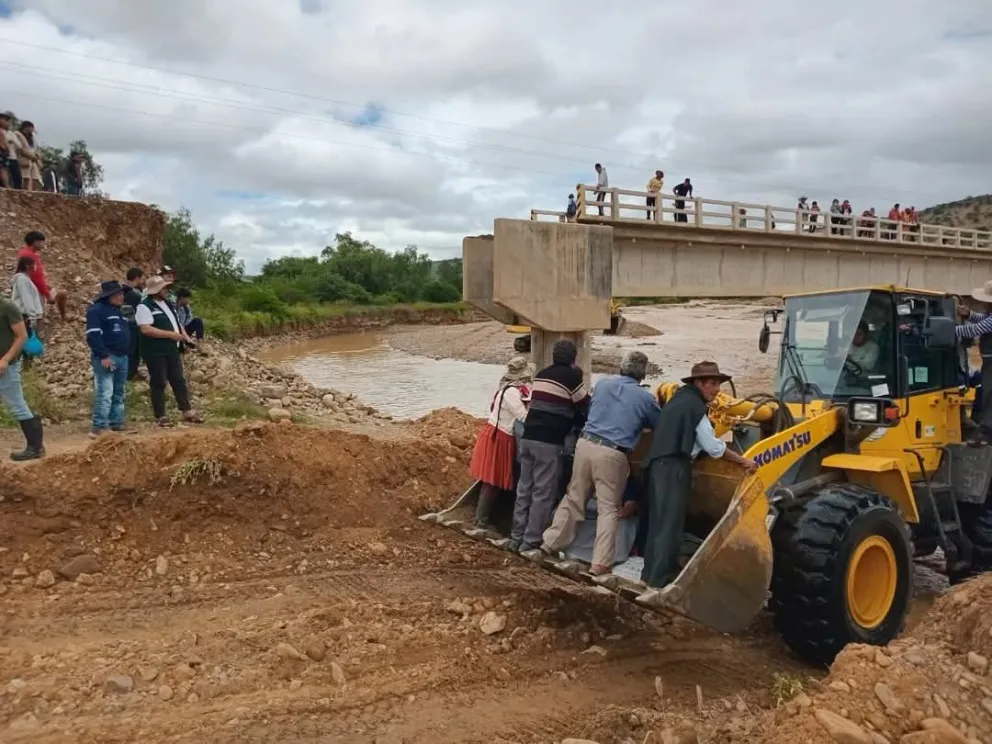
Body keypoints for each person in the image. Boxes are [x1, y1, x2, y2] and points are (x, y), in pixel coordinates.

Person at [539, 351, 662, 575]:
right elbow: (659, 424)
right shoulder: (645, 398)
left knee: (574, 497)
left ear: (621, 368)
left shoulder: (603, 384)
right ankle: (600, 563)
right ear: (642, 374)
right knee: (608, 509)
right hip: (612, 452)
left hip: (584, 444)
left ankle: (549, 543)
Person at [640, 362, 756, 589]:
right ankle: (659, 581)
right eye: (712, 384)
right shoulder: (696, 407)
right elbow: (714, 448)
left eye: (719, 384)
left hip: (656, 465)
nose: (717, 390)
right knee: (671, 525)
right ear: (698, 383)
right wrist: (743, 461)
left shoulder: (677, 401)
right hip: (674, 468)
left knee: (657, 522)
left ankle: (647, 575)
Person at [509, 338, 589, 553]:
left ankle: (515, 537)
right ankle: (531, 540)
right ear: (573, 359)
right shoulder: (572, 377)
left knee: (524, 488)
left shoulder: (542, 374)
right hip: (548, 442)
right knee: (543, 491)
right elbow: (584, 406)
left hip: (527, 438)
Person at [469, 356, 534, 528]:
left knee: (493, 479)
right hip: (499, 437)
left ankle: (482, 517)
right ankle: (480, 520)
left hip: (499, 434)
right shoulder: (512, 392)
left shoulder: (509, 387)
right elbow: (523, 416)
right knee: (493, 480)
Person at [136, 275, 203, 427]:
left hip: (171, 349)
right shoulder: (144, 306)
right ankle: (161, 415)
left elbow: (178, 323)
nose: (167, 290)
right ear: (156, 290)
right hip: (154, 350)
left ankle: (186, 410)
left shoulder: (167, 303)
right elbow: (146, 329)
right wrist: (172, 335)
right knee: (159, 381)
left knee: (178, 380)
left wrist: (185, 339)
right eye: (164, 288)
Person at [0, 294, 44, 460]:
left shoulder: (7, 307)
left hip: (6, 367)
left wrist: (5, 359)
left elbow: (22, 336)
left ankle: (36, 447)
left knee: (17, 404)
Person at [85, 281, 131, 437]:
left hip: (122, 356)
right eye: (118, 294)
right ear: (109, 296)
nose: (121, 297)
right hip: (107, 356)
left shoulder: (120, 312)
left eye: (122, 294)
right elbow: (93, 336)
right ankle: (99, 426)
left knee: (119, 392)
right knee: (105, 392)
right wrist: (103, 355)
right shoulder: (96, 311)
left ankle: (116, 422)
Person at [955, 281, 992, 442]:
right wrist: (969, 314)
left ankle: (986, 433)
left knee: (989, 395)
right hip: (989, 361)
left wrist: (946, 329)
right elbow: (980, 318)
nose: (984, 304)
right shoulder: (989, 315)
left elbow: (973, 330)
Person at [17, 231, 67, 332]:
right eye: (42, 242)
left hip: (26, 287)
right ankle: (63, 319)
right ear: (35, 242)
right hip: (34, 291)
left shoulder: (22, 252)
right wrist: (47, 295)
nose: (43, 245)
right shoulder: (32, 257)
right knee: (62, 294)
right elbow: (38, 278)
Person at [121, 267, 145, 380]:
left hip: (125, 324)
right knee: (133, 350)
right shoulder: (131, 293)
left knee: (133, 349)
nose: (143, 280)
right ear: (137, 278)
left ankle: (131, 372)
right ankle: (129, 374)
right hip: (131, 325)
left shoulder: (122, 289)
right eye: (142, 278)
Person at [10, 256, 44, 334]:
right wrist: (32, 316)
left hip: (26, 316)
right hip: (25, 317)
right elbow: (26, 298)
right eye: (33, 264)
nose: (35, 267)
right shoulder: (22, 279)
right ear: (27, 266)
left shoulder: (26, 279)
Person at [13, 121, 41, 192]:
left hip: (33, 160)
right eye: (32, 128)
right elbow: (21, 149)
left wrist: (37, 156)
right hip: (24, 160)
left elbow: (37, 149)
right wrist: (33, 157)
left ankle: (33, 193)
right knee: (26, 178)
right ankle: (25, 193)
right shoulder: (18, 135)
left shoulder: (32, 138)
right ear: (27, 127)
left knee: (36, 178)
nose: (32, 130)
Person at [2, 111, 20, 190]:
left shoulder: (11, 134)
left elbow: (19, 146)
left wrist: (11, 142)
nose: (7, 123)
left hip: (12, 157)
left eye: (8, 121)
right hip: (3, 155)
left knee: (16, 177)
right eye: (5, 120)